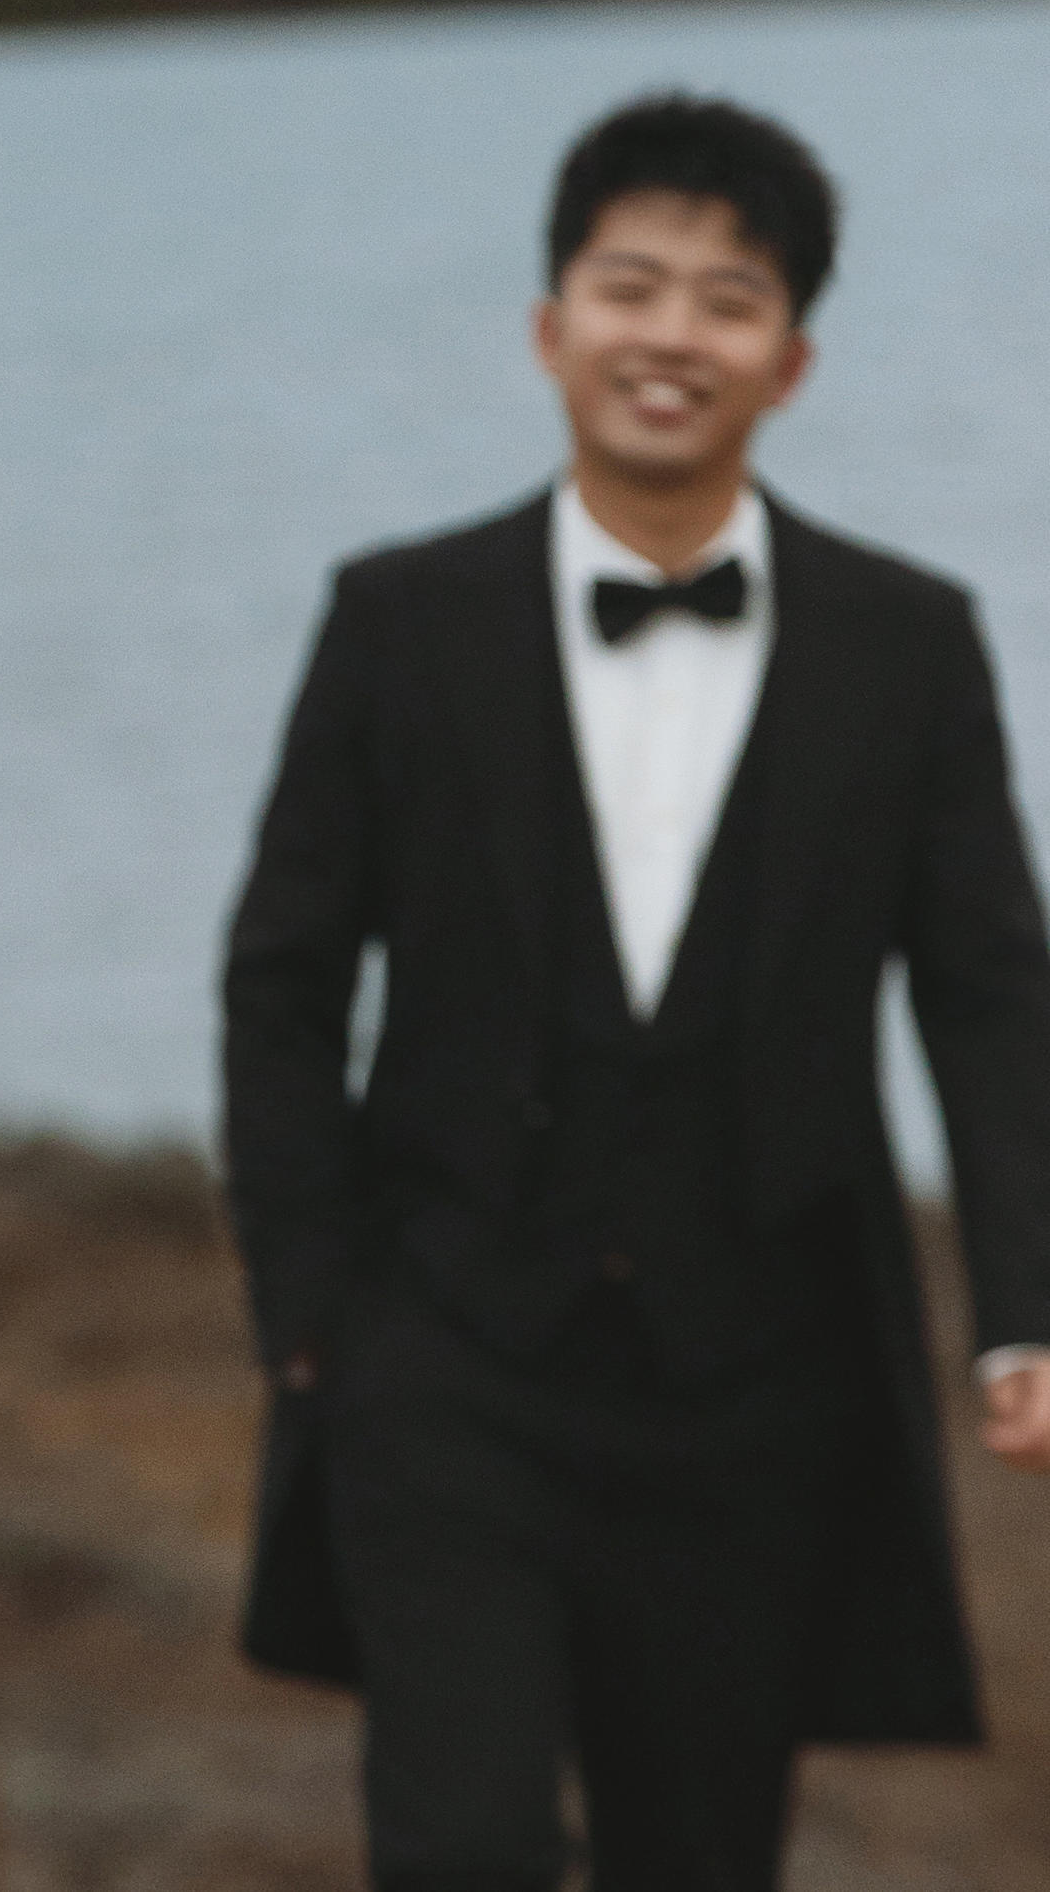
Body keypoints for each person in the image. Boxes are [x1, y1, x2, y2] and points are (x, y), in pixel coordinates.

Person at [221, 91, 1050, 1891]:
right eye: (632, 284)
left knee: (701, 1862)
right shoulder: (396, 618)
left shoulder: (912, 641)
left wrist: (1024, 1312)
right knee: (464, 1847)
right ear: (550, 325)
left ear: (792, 360)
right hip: (440, 1366)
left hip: (761, 1389)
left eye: (729, 299)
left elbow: (991, 995)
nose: (673, 334)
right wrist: (307, 1305)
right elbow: (284, 978)